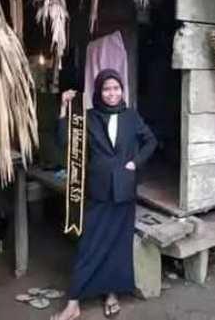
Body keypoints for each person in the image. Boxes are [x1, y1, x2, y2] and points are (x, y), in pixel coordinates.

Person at [52, 69, 157, 320]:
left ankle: (112, 294)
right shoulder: (88, 117)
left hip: (124, 191)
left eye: (116, 88)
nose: (112, 93)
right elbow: (64, 141)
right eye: (106, 89)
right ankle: (74, 301)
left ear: (122, 90)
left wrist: (135, 162)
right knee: (89, 245)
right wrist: (64, 108)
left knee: (118, 246)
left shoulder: (131, 116)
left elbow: (150, 141)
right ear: (99, 92)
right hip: (97, 191)